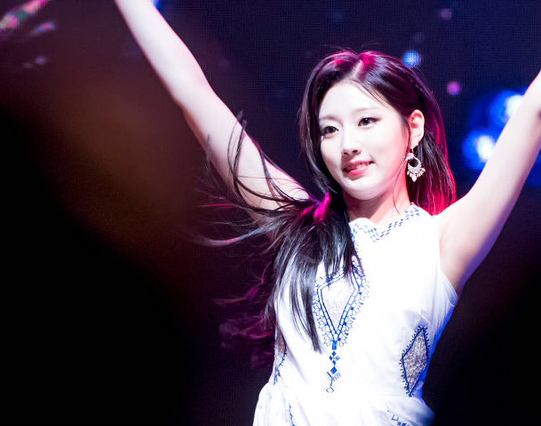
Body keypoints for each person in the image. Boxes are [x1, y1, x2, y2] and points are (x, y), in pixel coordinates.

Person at [113, 1, 541, 424]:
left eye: (367, 121)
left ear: (413, 127)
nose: (348, 144)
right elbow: (190, 90)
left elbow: (534, 113)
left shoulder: (443, 241)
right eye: (330, 129)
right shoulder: (300, 230)